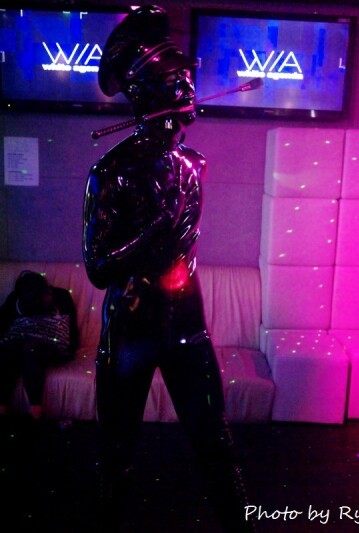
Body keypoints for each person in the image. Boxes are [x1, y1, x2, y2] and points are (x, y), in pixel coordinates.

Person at [82, 6, 256, 532]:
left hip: (187, 329)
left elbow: (181, 250)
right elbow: (98, 268)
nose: (189, 89)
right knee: (117, 453)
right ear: (145, 94)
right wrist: (154, 231)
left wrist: (164, 234)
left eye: (187, 79)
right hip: (131, 333)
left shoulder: (193, 165)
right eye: (175, 81)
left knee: (216, 442)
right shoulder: (110, 172)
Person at [0, 270, 79, 420]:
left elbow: (72, 331)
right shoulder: (15, 300)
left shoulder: (62, 297)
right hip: (20, 344)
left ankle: (35, 410)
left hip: (52, 346)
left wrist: (69, 349)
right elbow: (2, 323)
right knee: (11, 349)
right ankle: (2, 407)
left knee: (31, 348)